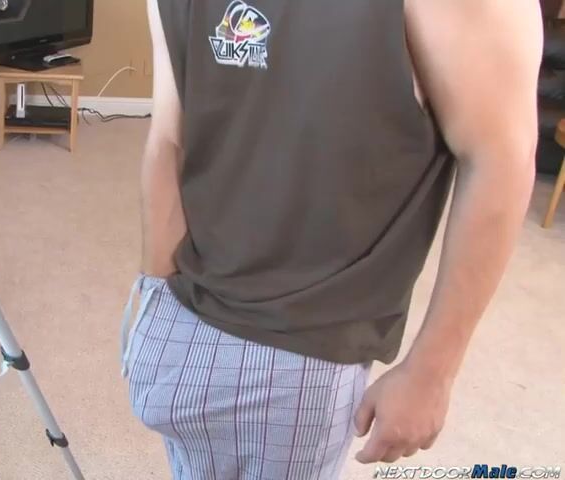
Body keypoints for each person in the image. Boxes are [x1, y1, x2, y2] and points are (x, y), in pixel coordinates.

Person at [120, 0, 543, 478]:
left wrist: (431, 371)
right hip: (188, 315)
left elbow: (499, 159)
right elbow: (169, 138)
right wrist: (154, 294)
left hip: (295, 354)